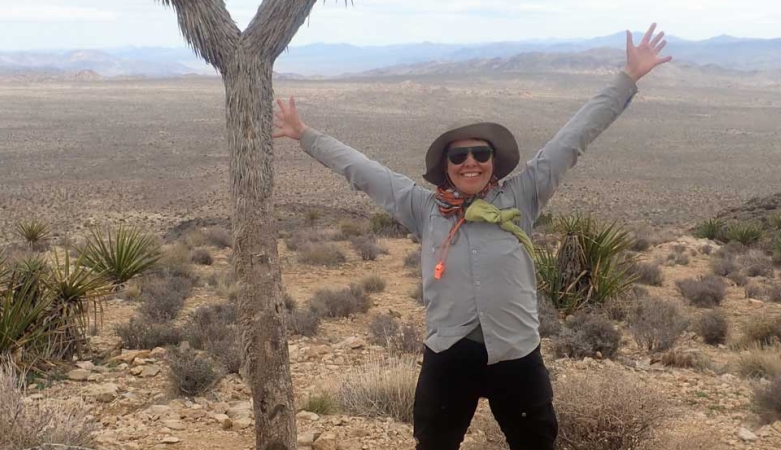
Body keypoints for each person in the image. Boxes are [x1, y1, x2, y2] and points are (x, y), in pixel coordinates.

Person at [274, 23, 672, 450]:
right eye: (458, 155)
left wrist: (626, 79)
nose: (470, 163)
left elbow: (571, 139)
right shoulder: (424, 208)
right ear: (446, 166)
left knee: (536, 442)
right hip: (449, 353)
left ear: (493, 161)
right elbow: (365, 172)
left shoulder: (523, 193)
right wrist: (307, 136)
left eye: (479, 154)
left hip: (516, 351)